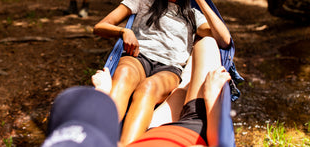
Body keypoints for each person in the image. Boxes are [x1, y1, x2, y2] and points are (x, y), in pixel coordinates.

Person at [92, 0, 231, 145]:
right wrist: (123, 31)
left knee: (147, 88)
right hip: (138, 56)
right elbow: (100, 26)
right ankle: (98, 138)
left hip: (169, 67)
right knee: (123, 74)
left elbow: (224, 40)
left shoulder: (193, 14)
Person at [41, 36, 232, 147]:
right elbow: (220, 143)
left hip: (150, 132)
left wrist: (103, 93)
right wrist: (212, 97)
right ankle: (188, 69)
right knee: (205, 43)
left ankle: (187, 71)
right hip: (194, 128)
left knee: (181, 89)